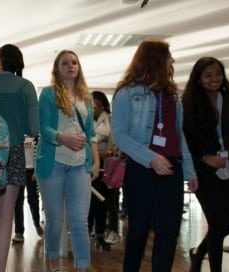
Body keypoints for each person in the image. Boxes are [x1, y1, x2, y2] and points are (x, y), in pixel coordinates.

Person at [111, 39, 198, 272]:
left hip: (172, 168)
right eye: (168, 56)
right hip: (141, 169)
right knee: (138, 231)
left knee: (168, 232)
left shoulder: (173, 95)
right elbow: (119, 135)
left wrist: (189, 171)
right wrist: (150, 158)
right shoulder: (126, 94)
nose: (172, 60)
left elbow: (179, 134)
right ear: (154, 59)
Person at [181, 57, 229, 272]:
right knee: (217, 223)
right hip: (204, 172)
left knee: (226, 224)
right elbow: (185, 139)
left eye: (218, 73)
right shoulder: (189, 103)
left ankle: (199, 252)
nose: (215, 79)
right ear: (199, 79)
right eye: (208, 75)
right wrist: (205, 157)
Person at [36, 50, 99, 272]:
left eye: (74, 62)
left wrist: (96, 160)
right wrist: (64, 138)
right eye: (65, 63)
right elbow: (43, 128)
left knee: (79, 221)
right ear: (57, 68)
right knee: (54, 220)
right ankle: (54, 261)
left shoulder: (86, 97)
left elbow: (91, 133)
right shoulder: (48, 94)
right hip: (53, 163)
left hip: (80, 164)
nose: (70, 66)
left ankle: (83, 267)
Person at [0, 44, 39, 272]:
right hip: (13, 151)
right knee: (6, 216)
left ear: (0, 60)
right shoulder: (26, 86)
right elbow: (34, 128)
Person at [87, 90, 117, 251]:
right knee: (90, 202)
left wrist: (102, 153)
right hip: (89, 165)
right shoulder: (85, 121)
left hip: (107, 165)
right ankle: (90, 232)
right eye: (91, 106)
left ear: (103, 106)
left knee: (104, 202)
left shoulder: (110, 121)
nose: (93, 109)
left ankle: (100, 235)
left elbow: (115, 147)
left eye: (96, 106)